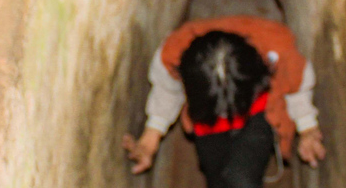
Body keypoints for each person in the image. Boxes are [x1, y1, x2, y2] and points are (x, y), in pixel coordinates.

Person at [122, 15, 326, 188]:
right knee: (216, 175)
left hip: (259, 114)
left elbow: (296, 87)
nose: (224, 113)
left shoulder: (279, 48)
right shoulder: (172, 54)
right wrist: (149, 140)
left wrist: (308, 128)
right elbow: (167, 90)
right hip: (205, 119)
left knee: (242, 179)